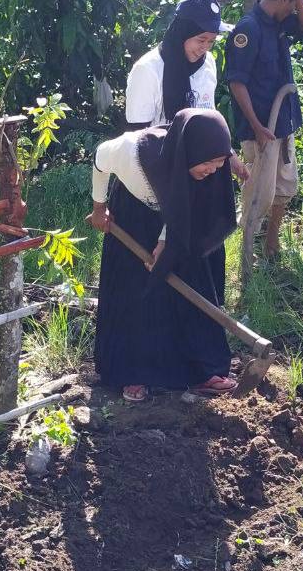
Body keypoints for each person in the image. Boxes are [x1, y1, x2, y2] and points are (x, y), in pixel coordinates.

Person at [87, 109, 243, 403]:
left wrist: (164, 242)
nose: (212, 171)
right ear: (189, 152)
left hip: (178, 221)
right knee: (134, 290)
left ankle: (203, 370)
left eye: (219, 165)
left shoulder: (196, 169)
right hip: (133, 215)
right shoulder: (129, 153)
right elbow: (99, 158)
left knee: (194, 279)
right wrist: (99, 208)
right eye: (208, 164)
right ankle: (132, 373)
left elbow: (184, 203)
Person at [225, 0, 303, 259]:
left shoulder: (280, 23)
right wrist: (257, 126)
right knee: (258, 195)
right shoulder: (248, 29)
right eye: (292, 2)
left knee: (284, 186)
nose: (294, 9)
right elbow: (237, 84)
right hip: (260, 130)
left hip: (283, 123)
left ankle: (272, 245)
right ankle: (246, 253)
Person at [125, 0, 232, 128]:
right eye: (201, 40)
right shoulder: (147, 70)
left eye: (211, 41)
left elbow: (209, 119)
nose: (205, 47)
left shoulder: (208, 62)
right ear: (182, 33)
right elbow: (137, 136)